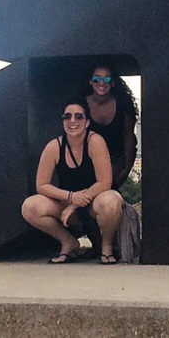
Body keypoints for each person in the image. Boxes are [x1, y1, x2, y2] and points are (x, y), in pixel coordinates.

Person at [21, 100, 125, 264]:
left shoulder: (95, 142)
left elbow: (105, 181)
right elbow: (41, 185)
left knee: (111, 201)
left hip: (93, 204)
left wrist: (75, 203)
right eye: (67, 117)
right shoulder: (54, 147)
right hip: (67, 205)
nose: (72, 121)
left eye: (79, 116)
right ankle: (68, 242)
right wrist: (70, 197)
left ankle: (106, 247)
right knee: (30, 206)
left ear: (87, 122)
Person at [83, 63, 139, 190]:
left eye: (107, 79)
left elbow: (129, 138)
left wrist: (125, 169)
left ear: (113, 83)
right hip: (86, 165)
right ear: (90, 81)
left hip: (115, 165)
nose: (101, 83)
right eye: (97, 79)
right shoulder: (80, 105)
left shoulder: (123, 105)